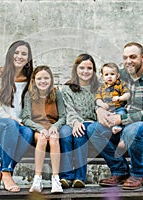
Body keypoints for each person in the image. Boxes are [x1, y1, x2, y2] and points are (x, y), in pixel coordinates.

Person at [88, 42, 143, 190]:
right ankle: (120, 171)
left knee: (132, 130)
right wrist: (99, 110)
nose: (128, 61)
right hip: (121, 125)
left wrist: (121, 119)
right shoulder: (120, 75)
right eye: (125, 57)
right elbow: (101, 94)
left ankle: (138, 174)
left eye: (133, 57)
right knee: (93, 129)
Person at [0, 40, 34, 193]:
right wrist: (10, 118)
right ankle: (7, 174)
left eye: (24, 54)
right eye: (16, 53)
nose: (19, 56)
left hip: (17, 127)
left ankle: (0, 173)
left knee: (28, 133)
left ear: (29, 58)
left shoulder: (29, 78)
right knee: (10, 124)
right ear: (10, 55)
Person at [21, 65, 66, 193]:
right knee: (41, 139)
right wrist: (40, 128)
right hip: (37, 128)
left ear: (51, 79)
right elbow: (26, 118)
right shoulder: (29, 95)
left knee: (54, 138)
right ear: (34, 80)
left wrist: (54, 127)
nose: (43, 81)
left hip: (52, 127)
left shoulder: (56, 93)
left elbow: (63, 116)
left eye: (46, 78)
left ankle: (55, 179)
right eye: (39, 78)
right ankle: (37, 178)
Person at [59, 53, 99, 188]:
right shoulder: (66, 89)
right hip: (70, 122)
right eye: (82, 68)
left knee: (79, 134)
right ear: (76, 69)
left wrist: (81, 124)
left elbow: (98, 109)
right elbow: (68, 109)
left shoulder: (99, 88)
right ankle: (66, 177)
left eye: (89, 68)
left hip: (90, 123)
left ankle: (79, 178)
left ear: (94, 71)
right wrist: (76, 122)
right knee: (64, 134)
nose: (85, 71)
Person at [95, 62, 130, 148]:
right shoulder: (101, 88)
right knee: (101, 119)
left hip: (118, 108)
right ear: (102, 77)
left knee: (122, 113)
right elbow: (97, 99)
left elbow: (127, 94)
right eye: (106, 74)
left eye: (112, 74)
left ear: (117, 76)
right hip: (107, 111)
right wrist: (102, 104)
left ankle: (117, 127)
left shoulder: (120, 85)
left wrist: (120, 98)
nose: (109, 76)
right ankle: (107, 131)